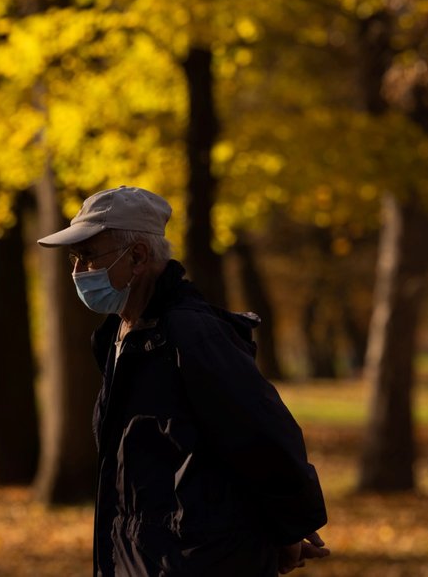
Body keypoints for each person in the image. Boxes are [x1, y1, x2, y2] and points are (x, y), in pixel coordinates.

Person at [38, 186, 330, 577]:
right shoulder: (118, 336)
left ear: (138, 256)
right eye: (75, 258)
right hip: (141, 555)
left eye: (89, 256)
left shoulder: (192, 334)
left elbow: (264, 436)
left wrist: (289, 526)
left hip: (198, 557)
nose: (78, 271)